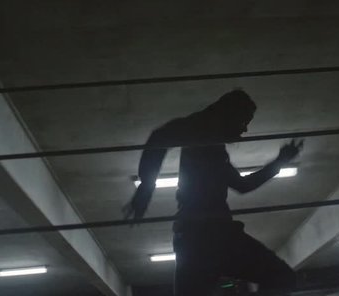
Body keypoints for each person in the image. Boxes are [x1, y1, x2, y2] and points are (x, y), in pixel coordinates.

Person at [123, 90, 303, 295]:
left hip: (198, 238)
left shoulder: (212, 147)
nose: (244, 129)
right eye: (244, 121)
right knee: (282, 277)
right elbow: (160, 137)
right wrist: (146, 188)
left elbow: (242, 185)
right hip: (213, 237)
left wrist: (279, 162)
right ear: (229, 114)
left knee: (282, 278)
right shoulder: (201, 129)